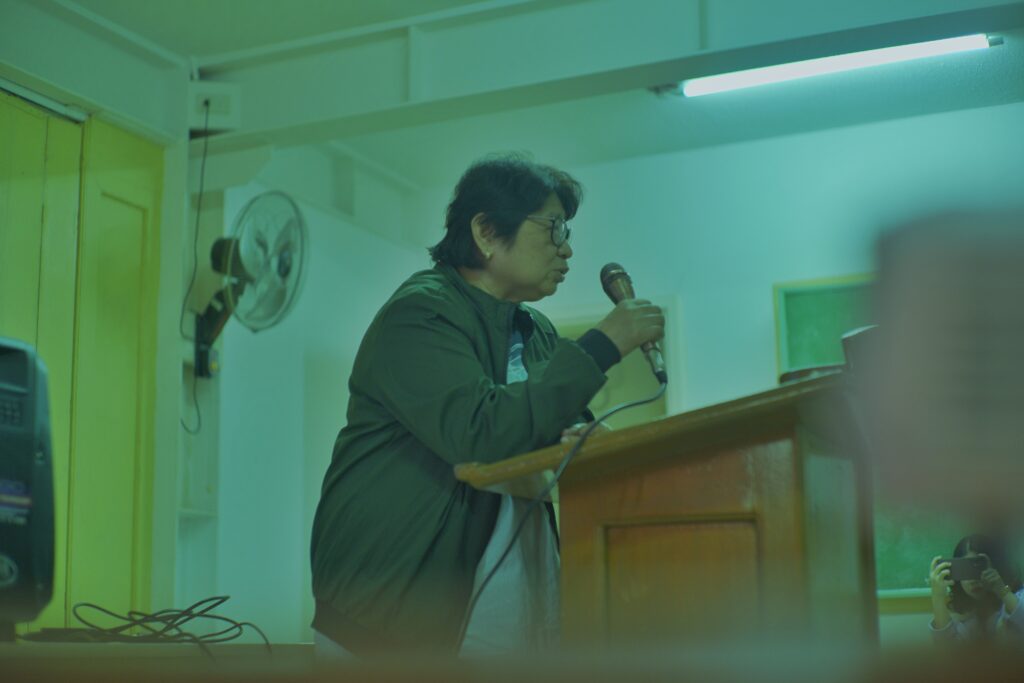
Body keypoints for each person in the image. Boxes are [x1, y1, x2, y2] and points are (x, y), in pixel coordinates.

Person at [309, 154, 665, 657]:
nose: (567, 249)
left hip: (513, 609)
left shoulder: (534, 330)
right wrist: (603, 345)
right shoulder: (420, 314)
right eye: (554, 228)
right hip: (392, 623)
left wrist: (588, 440)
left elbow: (548, 426)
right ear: (486, 231)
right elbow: (481, 430)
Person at [928, 533, 1024, 641]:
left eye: (978, 568)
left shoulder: (1018, 598)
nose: (973, 581)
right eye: (965, 571)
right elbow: (946, 647)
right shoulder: (963, 620)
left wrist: (1002, 590)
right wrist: (937, 596)